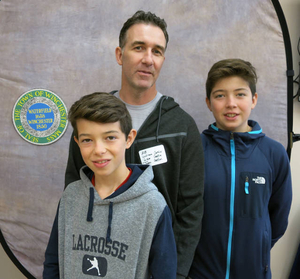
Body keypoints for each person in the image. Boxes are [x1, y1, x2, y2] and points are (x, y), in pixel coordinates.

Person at [65, 10, 204, 279]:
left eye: (157, 51)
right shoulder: (90, 118)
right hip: (93, 262)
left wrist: (174, 273)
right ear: (120, 54)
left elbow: (191, 210)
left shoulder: (181, 127)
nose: (148, 60)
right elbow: (74, 190)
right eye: (139, 47)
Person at [43, 92, 177, 278]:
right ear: (77, 142)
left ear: (129, 138)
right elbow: (53, 262)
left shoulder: (152, 205)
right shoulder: (70, 196)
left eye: (110, 137)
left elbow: (165, 273)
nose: (99, 150)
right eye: (87, 140)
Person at [189, 59, 292, 279]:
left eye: (240, 94)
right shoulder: (194, 150)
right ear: (208, 102)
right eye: (220, 95)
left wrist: (256, 251)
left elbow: (278, 218)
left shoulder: (273, 153)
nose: (231, 103)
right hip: (200, 274)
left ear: (253, 99)